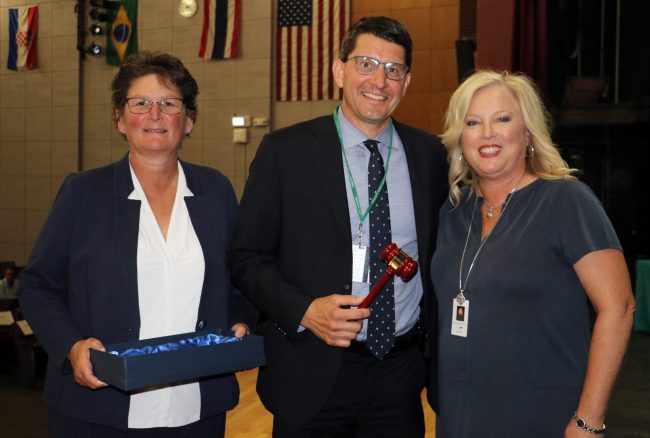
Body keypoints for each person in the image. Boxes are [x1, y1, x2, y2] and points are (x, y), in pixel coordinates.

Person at [229, 16, 448, 437]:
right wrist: (304, 311)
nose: (379, 81)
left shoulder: (431, 156)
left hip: (400, 375)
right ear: (338, 70)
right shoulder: (284, 152)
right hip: (311, 368)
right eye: (365, 63)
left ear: (406, 82)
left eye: (393, 70)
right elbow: (246, 258)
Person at [18, 51, 256, 437]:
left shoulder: (216, 191)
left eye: (169, 104)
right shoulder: (83, 193)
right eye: (140, 103)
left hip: (197, 409)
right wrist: (72, 346)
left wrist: (240, 321)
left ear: (189, 120)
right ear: (120, 119)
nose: (155, 115)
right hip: (98, 409)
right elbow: (37, 284)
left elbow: (239, 282)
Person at [431, 70, 635, 437]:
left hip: (543, 415)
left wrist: (589, 420)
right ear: (460, 137)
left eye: (503, 119)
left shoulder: (565, 201)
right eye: (473, 122)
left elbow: (618, 307)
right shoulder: (452, 212)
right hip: (461, 415)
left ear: (527, 133)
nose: (488, 133)